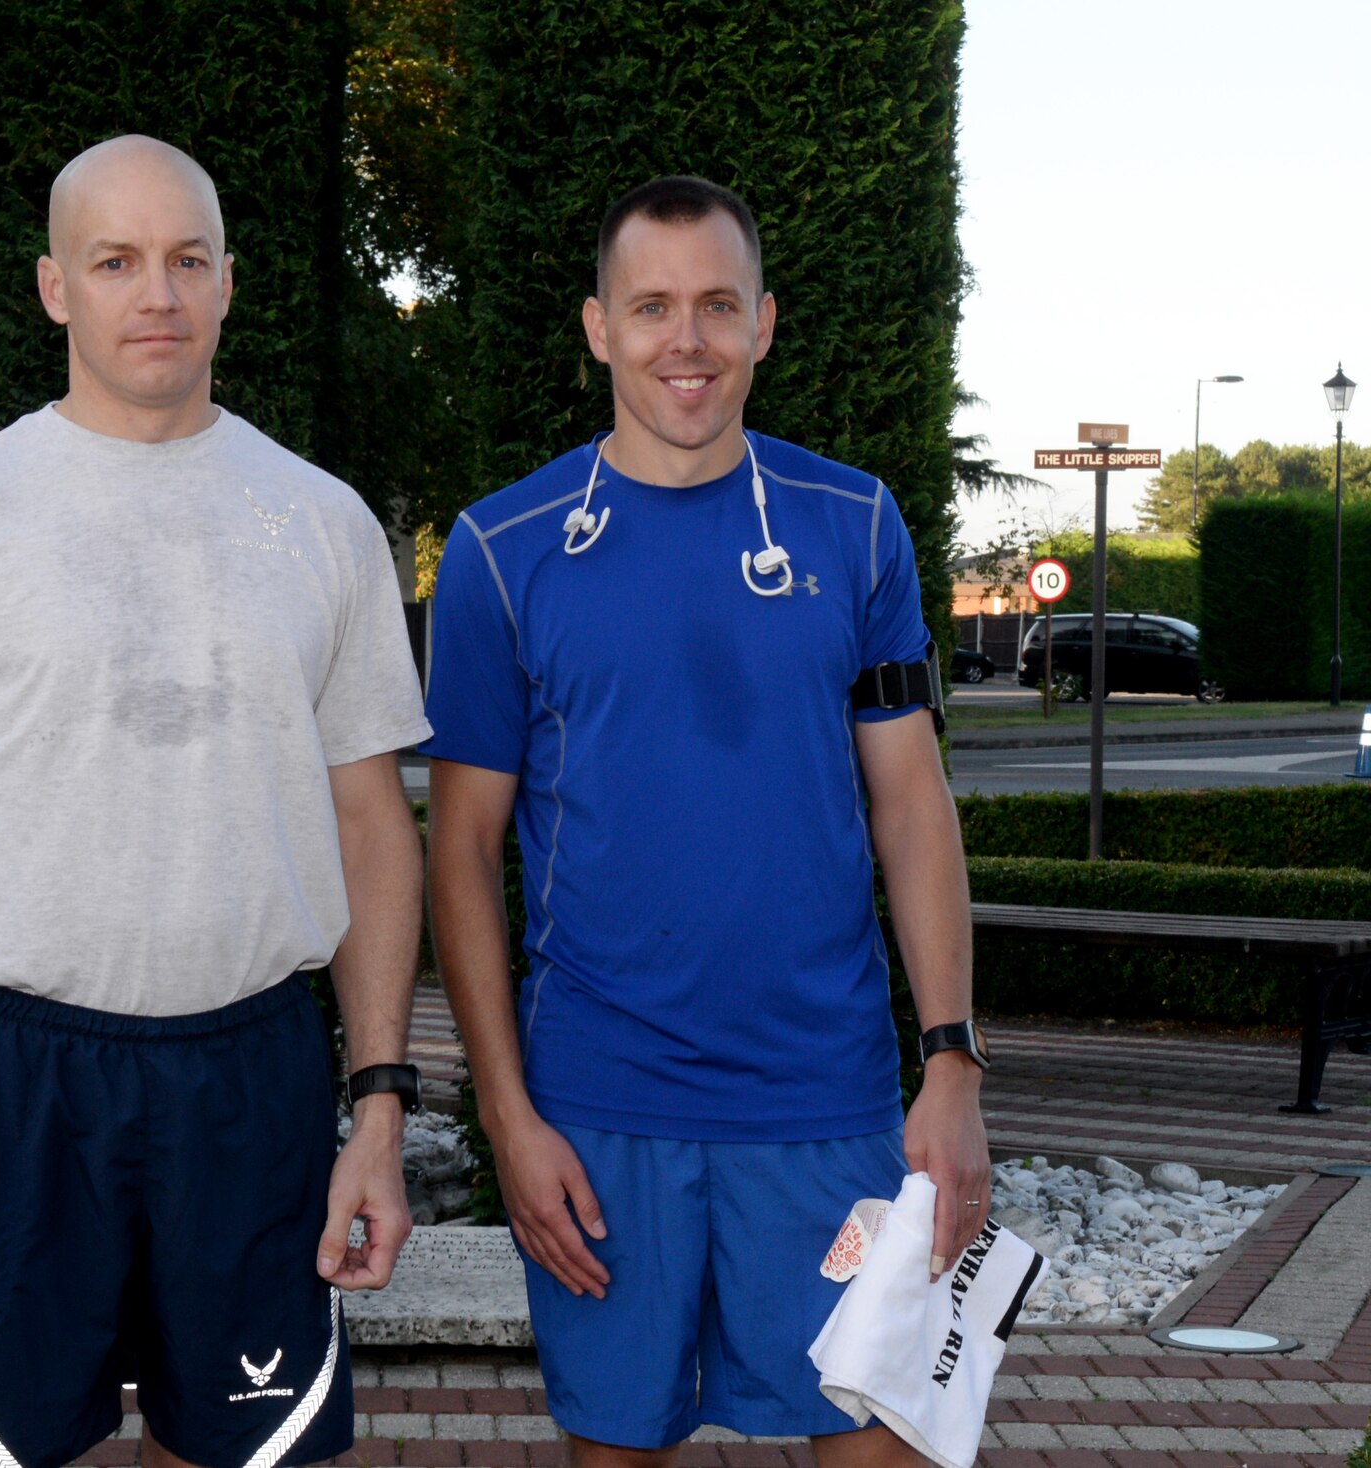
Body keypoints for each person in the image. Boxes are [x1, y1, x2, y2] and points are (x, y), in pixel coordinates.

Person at [0, 134, 433, 1468]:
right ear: (53, 288)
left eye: (187, 260)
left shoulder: (322, 523)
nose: (158, 293)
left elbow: (374, 829)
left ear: (227, 284)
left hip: (251, 1075)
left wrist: (378, 1105)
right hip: (9, 1078)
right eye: (117, 260)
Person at [423, 175, 991, 1468]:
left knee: (882, 1443)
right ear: (597, 326)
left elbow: (911, 802)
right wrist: (507, 1119)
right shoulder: (502, 552)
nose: (687, 340)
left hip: (824, 1099)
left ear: (765, 323)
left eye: (718, 306)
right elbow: (457, 851)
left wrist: (952, 1061)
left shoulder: (855, 528)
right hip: (597, 1117)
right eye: (653, 306)